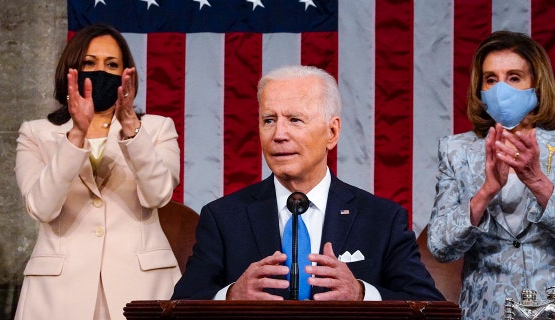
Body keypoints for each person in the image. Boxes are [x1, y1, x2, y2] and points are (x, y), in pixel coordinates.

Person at [172, 65, 444, 301]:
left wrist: (361, 294)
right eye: (269, 120)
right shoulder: (223, 218)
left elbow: (427, 306)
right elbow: (181, 306)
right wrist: (230, 296)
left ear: (332, 132)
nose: (279, 134)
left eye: (294, 120)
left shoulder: (381, 219)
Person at [427, 30, 555, 319]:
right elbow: (440, 246)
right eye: (491, 79)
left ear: (536, 83)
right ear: (480, 89)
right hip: (487, 311)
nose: (502, 89)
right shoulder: (456, 150)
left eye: (514, 77)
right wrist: (485, 192)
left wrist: (538, 183)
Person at [14, 24, 181, 320]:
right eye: (89, 63)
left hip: (141, 289)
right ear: (71, 70)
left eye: (112, 64)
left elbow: (158, 195)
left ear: (126, 75)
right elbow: (42, 207)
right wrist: (76, 134)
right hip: (58, 295)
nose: (100, 72)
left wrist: (131, 128)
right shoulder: (35, 134)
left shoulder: (156, 129)